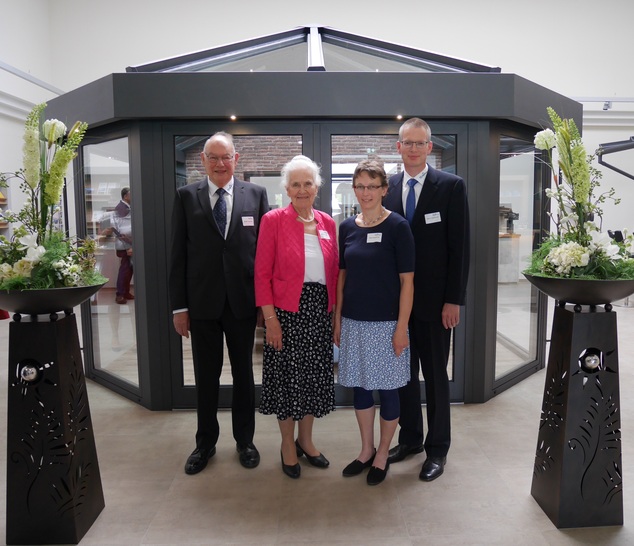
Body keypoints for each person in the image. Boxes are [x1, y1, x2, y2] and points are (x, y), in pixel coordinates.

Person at [169, 131, 269, 475]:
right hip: (202, 305)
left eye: (226, 157)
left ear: (236, 159)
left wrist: (263, 305)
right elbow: (177, 256)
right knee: (206, 377)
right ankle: (205, 443)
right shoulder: (186, 197)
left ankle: (245, 440)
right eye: (213, 157)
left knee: (244, 375)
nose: (220, 163)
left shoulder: (256, 195)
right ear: (203, 161)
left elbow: (263, 256)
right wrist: (179, 308)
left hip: (243, 303)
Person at [384, 117, 470, 481]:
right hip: (395, 305)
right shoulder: (385, 188)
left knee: (435, 377)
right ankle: (411, 439)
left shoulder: (450, 187)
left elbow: (460, 249)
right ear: (398, 147)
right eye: (408, 143)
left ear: (429, 148)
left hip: (436, 306)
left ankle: (437, 449)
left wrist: (454, 300)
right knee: (403, 375)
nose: (414, 149)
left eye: (420, 143)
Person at [254, 155, 339, 479]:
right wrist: (270, 319)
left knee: (314, 379)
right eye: (295, 184)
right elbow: (261, 274)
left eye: (308, 183)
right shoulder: (273, 220)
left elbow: (334, 275)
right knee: (289, 383)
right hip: (287, 314)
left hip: (319, 311)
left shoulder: (328, 223)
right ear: (287, 189)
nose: (302, 190)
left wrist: (335, 317)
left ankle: (307, 439)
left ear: (316, 187)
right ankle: (287, 444)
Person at [334, 159, 415, 486]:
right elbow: (341, 277)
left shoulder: (398, 227)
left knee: (389, 389)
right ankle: (365, 450)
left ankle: (383, 452)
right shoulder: (347, 228)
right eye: (360, 186)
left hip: (387, 325)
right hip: (353, 322)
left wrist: (400, 328)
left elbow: (407, 283)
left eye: (372, 186)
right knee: (361, 388)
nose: (365, 192)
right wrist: (337, 320)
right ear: (354, 189)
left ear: (384, 189)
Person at [111, 187, 133, 304]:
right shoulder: (121, 208)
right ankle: (120, 294)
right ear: (125, 196)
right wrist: (128, 245)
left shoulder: (127, 207)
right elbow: (116, 228)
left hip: (129, 243)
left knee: (129, 269)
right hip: (125, 244)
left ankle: (125, 292)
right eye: (131, 194)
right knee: (125, 269)